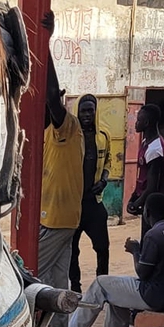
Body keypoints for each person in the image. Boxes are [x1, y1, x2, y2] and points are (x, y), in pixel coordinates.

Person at [68, 193, 164, 327]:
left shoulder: (153, 235)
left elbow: (143, 273)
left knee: (100, 283)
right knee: (115, 292)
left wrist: (135, 251)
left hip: (153, 296)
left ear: (147, 212)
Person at [38, 10, 85, 303]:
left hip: (56, 219)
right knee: (56, 283)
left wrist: (44, 43)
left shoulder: (67, 127)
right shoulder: (45, 135)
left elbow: (52, 94)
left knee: (29, 274)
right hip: (59, 219)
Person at [69, 94, 111, 293]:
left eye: (90, 110)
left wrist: (103, 180)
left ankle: (102, 286)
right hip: (74, 204)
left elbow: (109, 161)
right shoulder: (71, 137)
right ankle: (75, 289)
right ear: (77, 112)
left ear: (95, 112)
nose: (86, 115)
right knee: (71, 250)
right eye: (83, 110)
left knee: (102, 248)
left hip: (94, 203)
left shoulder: (103, 136)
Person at [127, 104, 164, 239]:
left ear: (146, 123)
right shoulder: (147, 142)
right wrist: (134, 197)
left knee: (150, 240)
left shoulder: (154, 149)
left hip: (154, 205)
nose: (136, 123)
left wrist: (136, 204)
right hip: (148, 202)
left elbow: (152, 187)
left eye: (138, 120)